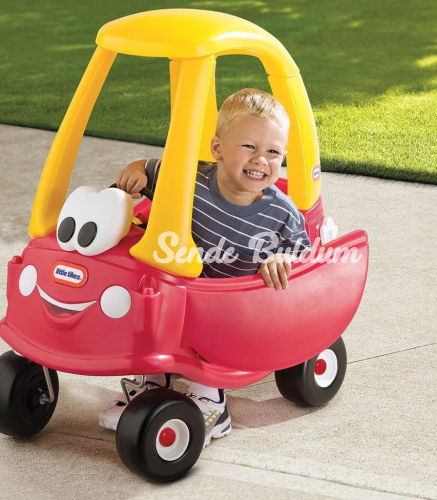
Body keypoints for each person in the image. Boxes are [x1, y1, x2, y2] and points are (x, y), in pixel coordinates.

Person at [99, 88, 311, 446]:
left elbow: (303, 255)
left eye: (273, 152)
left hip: (233, 309)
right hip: (179, 293)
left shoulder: (281, 212)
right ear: (218, 148)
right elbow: (146, 168)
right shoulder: (188, 179)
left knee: (209, 326)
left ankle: (211, 402)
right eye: (249, 146)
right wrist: (134, 174)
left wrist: (283, 258)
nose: (261, 159)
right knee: (146, 306)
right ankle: (152, 388)